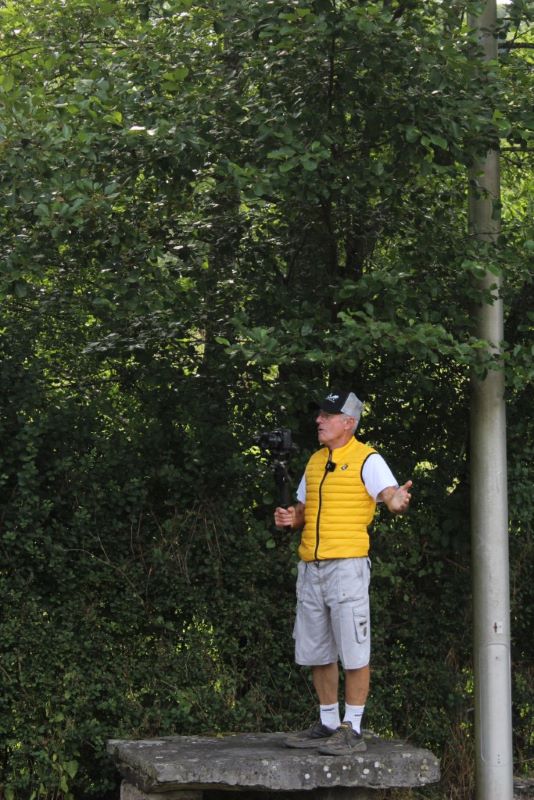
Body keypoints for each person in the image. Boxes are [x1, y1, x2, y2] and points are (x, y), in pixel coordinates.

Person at [274, 389, 412, 756]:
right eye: (319, 414)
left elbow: (390, 495)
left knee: (354, 649)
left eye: (327, 415)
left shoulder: (368, 458)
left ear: (348, 423)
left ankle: (353, 727)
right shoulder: (316, 461)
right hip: (311, 567)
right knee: (318, 649)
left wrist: (397, 501)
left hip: (347, 567)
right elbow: (303, 511)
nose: (319, 420)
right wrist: (290, 517)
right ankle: (328, 723)